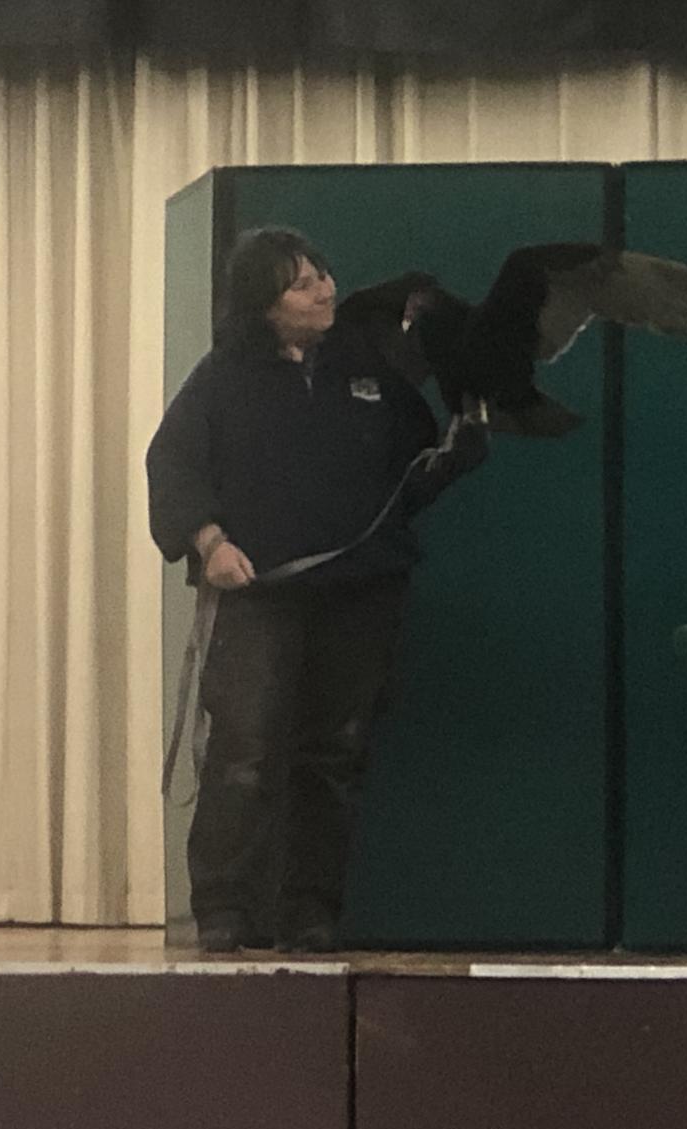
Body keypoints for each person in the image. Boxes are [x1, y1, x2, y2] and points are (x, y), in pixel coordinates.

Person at [146, 227, 489, 953]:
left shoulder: (367, 369)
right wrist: (210, 544)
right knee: (243, 753)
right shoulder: (221, 377)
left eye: (323, 275)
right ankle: (222, 911)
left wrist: (455, 459)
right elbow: (171, 462)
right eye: (302, 284)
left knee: (334, 757)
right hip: (260, 592)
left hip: (362, 593)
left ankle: (310, 912)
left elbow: (404, 482)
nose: (324, 289)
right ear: (263, 304)